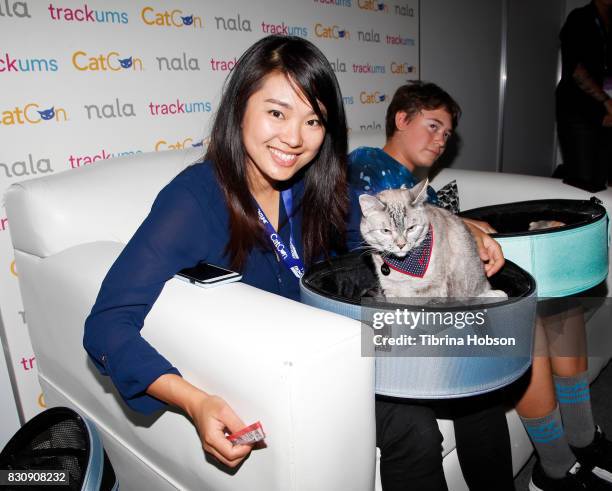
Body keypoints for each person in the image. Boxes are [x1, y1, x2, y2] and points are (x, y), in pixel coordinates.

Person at [83, 35, 350, 469]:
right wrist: (196, 402)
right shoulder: (193, 199)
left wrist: (459, 229)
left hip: (336, 359)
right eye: (277, 113)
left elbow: (383, 222)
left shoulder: (317, 187)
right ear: (240, 106)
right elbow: (107, 325)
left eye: (314, 121)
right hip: (278, 384)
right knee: (412, 426)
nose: (295, 138)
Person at [348, 81, 514, 491]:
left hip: (437, 300)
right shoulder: (367, 167)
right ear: (401, 119)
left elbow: (435, 225)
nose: (441, 140)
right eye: (433, 126)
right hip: (388, 304)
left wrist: (466, 228)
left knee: (485, 377)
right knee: (480, 368)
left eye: (447, 134)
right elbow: (379, 231)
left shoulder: (422, 185)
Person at [556, 0, 612, 192]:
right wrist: (606, 101)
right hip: (580, 111)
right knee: (582, 183)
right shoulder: (580, 18)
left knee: (601, 183)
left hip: (606, 109)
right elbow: (575, 69)